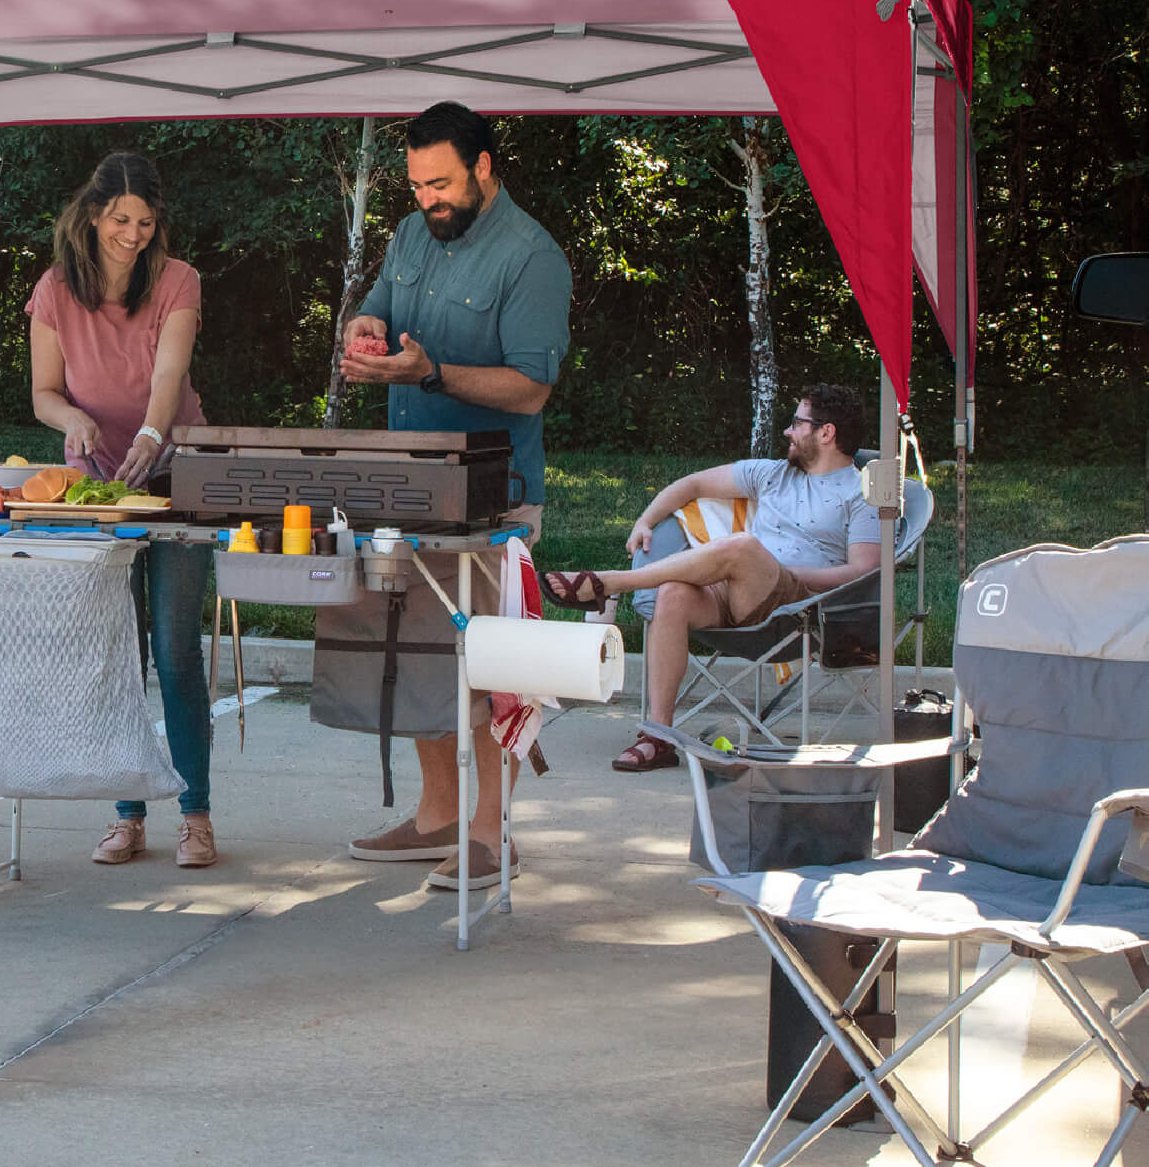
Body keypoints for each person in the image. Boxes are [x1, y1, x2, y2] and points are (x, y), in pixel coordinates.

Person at [334, 101, 571, 894]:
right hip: (406, 488)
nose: (425, 198)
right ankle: (436, 814)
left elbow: (532, 387)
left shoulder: (532, 256)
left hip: (491, 502)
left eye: (439, 182)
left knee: (485, 665)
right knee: (418, 657)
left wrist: (429, 372)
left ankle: (489, 830)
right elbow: (379, 306)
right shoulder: (410, 234)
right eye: (414, 184)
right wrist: (366, 330)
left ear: (482, 167)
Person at [27, 149, 217, 869]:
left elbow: (168, 373)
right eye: (118, 219)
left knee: (172, 649)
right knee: (117, 651)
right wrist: (69, 418)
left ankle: (194, 816)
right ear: (91, 213)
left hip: (174, 474)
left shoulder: (177, 281)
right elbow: (43, 390)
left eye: (143, 221)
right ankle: (126, 814)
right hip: (98, 487)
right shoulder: (53, 289)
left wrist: (147, 431)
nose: (131, 233)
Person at [541, 382, 880, 771]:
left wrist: (781, 570)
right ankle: (659, 736)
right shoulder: (772, 475)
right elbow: (694, 484)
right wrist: (645, 521)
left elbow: (864, 571)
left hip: (797, 606)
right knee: (672, 594)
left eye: (795, 423)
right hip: (737, 594)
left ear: (826, 432)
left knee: (741, 547)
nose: (787, 431)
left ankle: (609, 584)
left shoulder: (861, 493)